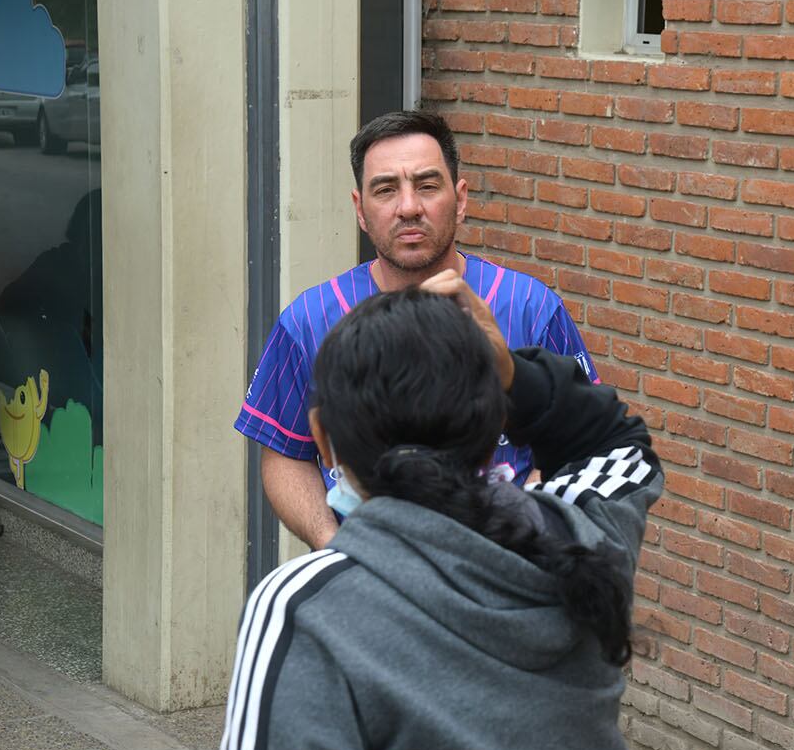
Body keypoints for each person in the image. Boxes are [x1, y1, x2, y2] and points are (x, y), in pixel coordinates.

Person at [208, 271, 661, 750]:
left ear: (323, 440)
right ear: (497, 420)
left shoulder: (305, 611)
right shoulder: (578, 544)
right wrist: (513, 373)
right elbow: (619, 446)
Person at [235, 110, 599, 549]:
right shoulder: (309, 320)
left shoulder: (530, 308)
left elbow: (580, 436)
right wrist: (331, 544)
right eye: (386, 190)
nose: (409, 207)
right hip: (369, 579)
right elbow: (284, 452)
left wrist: (520, 540)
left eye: (427, 186)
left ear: (460, 199)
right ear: (361, 210)